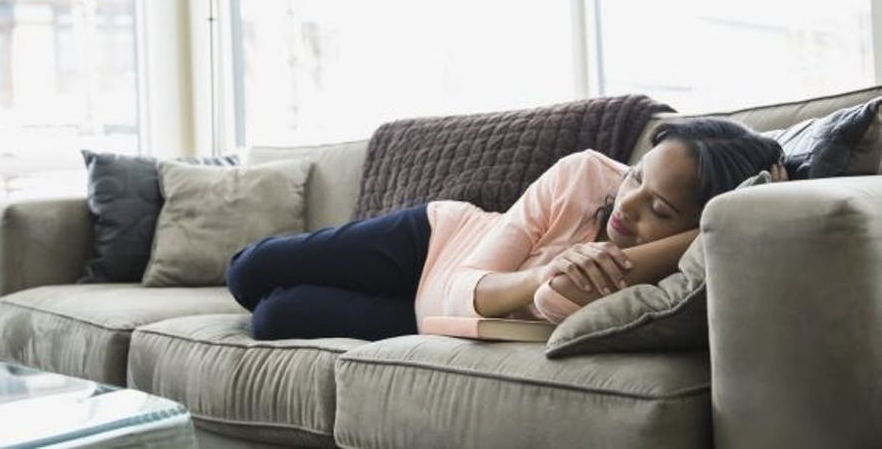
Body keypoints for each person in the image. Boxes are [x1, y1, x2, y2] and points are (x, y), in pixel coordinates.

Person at [225, 118, 785, 341]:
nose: (626, 205)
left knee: (275, 315)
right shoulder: (585, 174)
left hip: (439, 319)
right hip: (435, 244)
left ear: (695, 224)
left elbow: (558, 297)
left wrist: (722, 223)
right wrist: (545, 267)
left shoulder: (646, 280)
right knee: (249, 272)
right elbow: (467, 276)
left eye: (658, 209)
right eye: (636, 175)